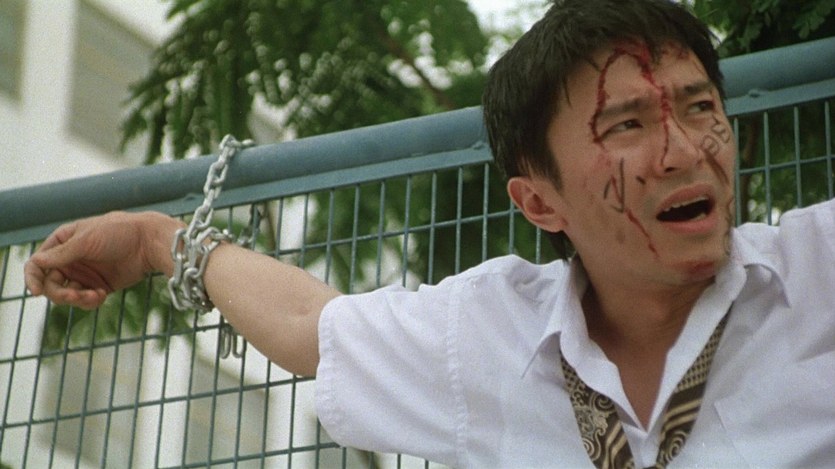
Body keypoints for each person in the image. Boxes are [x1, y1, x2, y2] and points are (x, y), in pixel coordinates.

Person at [23, 0, 835, 467]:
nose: (684, 150)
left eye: (699, 107)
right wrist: (157, 241)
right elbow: (310, 324)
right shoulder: (487, 331)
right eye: (625, 124)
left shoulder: (820, 270)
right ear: (538, 201)